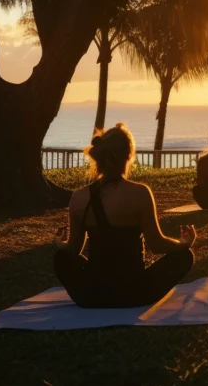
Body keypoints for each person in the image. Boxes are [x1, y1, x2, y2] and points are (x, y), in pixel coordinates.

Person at [53, 124, 196, 308]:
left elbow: (72, 249)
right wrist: (183, 244)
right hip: (135, 292)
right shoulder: (140, 193)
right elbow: (156, 244)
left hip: (93, 292)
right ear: (128, 157)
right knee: (185, 257)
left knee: (61, 259)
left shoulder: (79, 197)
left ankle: (97, 296)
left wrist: (59, 243)